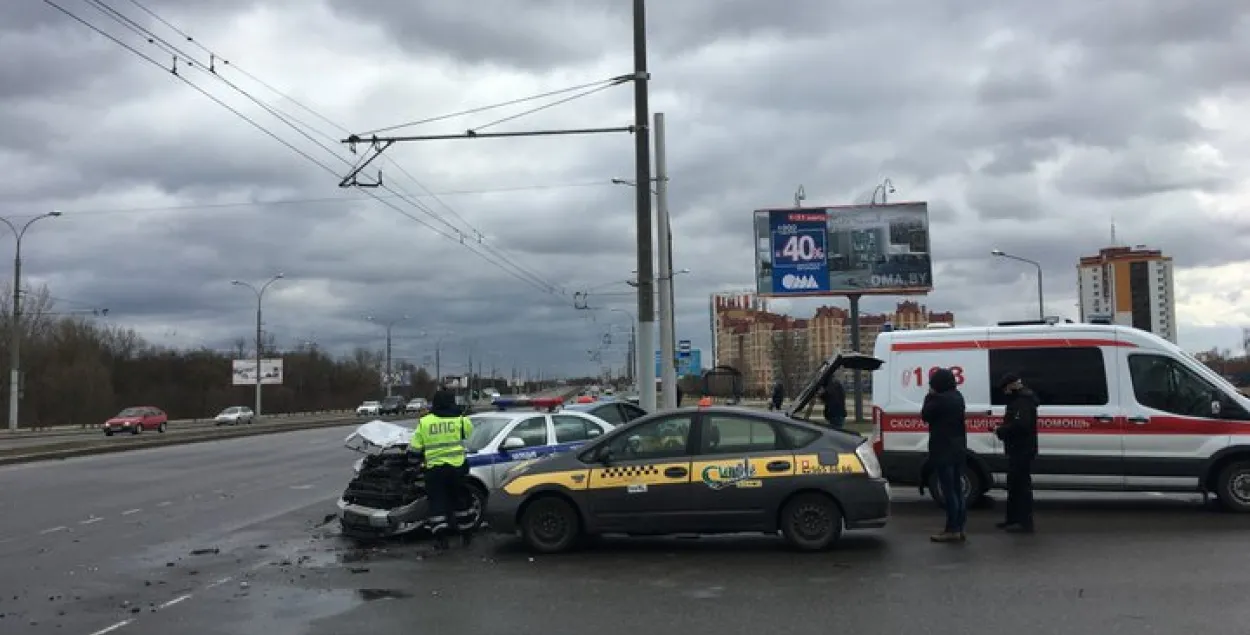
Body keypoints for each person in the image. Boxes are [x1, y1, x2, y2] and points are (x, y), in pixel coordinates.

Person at [410, 388, 476, 549]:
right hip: (457, 467)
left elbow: (414, 449)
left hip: (435, 470)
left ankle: (441, 539)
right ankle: (466, 535)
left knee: (437, 503)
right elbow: (469, 434)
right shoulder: (461, 420)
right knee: (461, 500)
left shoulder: (425, 422)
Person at [923, 367, 968, 543]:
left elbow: (925, 415)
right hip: (958, 449)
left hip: (944, 450)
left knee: (948, 491)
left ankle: (952, 529)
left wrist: (929, 396)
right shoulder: (958, 397)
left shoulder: (938, 400)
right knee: (957, 490)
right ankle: (960, 526)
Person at [994, 373, 1039, 533]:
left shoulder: (1023, 401)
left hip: (1022, 449)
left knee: (1021, 486)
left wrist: (1001, 430)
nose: (1005, 392)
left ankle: (1025, 522)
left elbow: (1021, 425)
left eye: (1006, 388)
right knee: (1013, 485)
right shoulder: (1020, 399)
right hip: (1017, 449)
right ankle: (1012, 519)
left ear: (1013, 385)